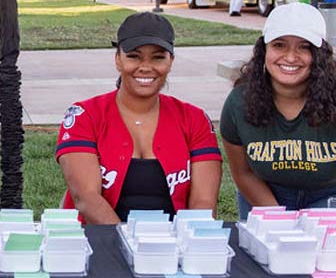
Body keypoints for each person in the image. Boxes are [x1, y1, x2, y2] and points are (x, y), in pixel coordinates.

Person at [220, 3, 336, 222]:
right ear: (263, 50)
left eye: (304, 47)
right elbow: (243, 173)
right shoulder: (239, 101)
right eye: (279, 45)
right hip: (266, 194)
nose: (290, 57)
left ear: (320, 55)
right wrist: (279, 220)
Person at [56, 12, 222, 224]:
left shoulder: (194, 118)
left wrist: (184, 246)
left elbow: (204, 202)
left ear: (171, 61)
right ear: (118, 59)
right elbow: (86, 199)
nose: (145, 66)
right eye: (134, 56)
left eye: (158, 57)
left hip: (173, 243)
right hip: (100, 241)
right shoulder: (85, 115)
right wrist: (129, 247)